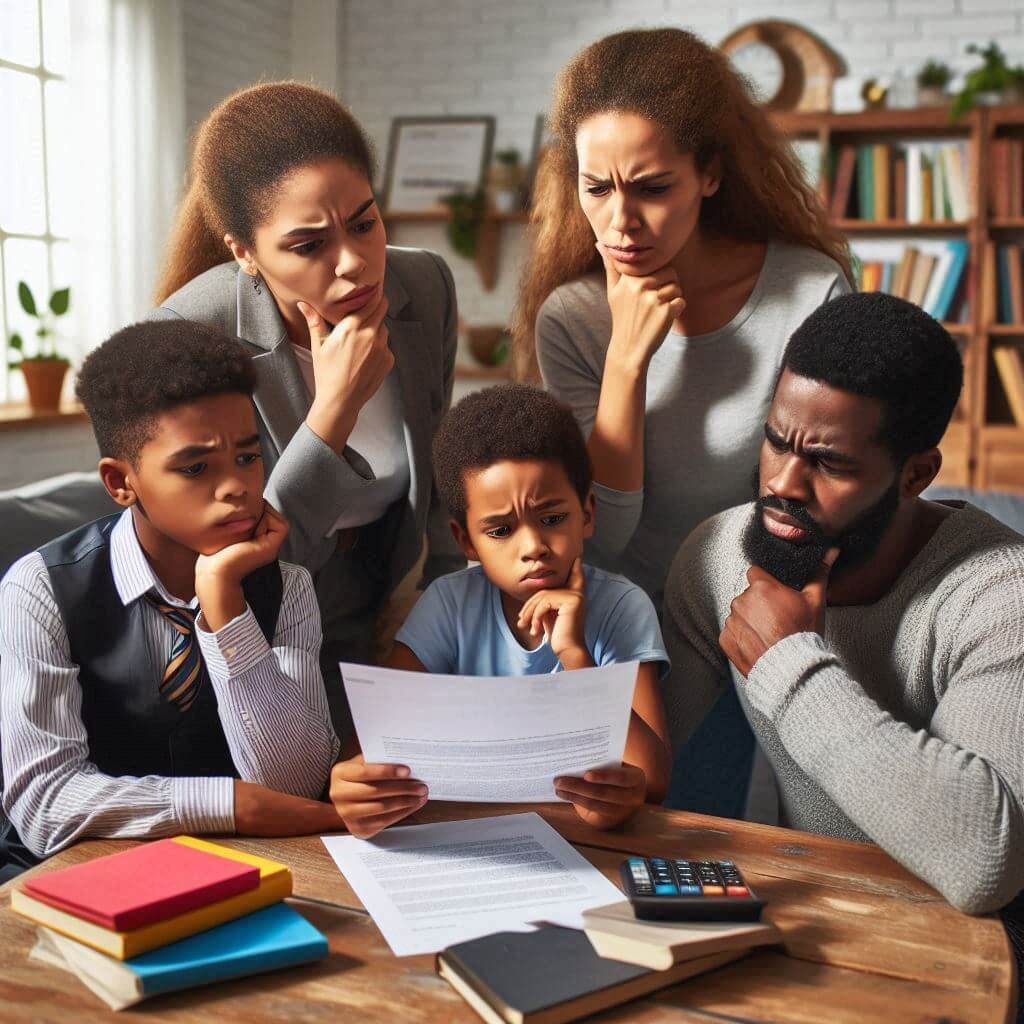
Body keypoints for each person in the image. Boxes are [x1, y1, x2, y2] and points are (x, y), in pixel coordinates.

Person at [662, 292, 1024, 914]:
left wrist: (788, 663)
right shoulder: (717, 556)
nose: (782, 484)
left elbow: (984, 863)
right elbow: (641, 760)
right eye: (776, 441)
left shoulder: (1000, 597)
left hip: (986, 942)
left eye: (827, 464)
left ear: (915, 475)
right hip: (826, 913)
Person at [150, 81, 464, 744]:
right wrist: (335, 411)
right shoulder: (187, 338)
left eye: (365, 222)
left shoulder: (424, 285)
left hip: (385, 593)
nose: (353, 264)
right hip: (254, 623)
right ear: (244, 251)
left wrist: (449, 623)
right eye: (306, 245)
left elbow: (435, 473)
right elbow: (238, 561)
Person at [516, 28, 853, 609]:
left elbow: (833, 496)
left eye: (652, 188)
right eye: (596, 188)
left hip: (772, 602)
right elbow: (602, 538)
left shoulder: (808, 291)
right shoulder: (571, 318)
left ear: (710, 175)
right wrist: (626, 357)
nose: (621, 220)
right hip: (624, 617)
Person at [0, 322, 345, 875]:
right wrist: (228, 804)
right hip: (69, 873)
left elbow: (295, 782)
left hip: (246, 866)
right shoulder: (39, 589)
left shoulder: (289, 588)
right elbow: (43, 803)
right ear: (120, 482)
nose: (236, 486)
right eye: (195, 468)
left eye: (248, 458)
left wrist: (224, 606)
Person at [329, 385, 672, 838]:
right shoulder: (449, 605)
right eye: (501, 530)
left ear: (586, 513)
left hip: (586, 845)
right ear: (466, 539)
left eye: (552, 519)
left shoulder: (621, 608)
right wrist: (354, 789)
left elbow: (653, 778)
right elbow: (366, 753)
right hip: (465, 838)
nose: (532, 547)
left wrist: (574, 655)